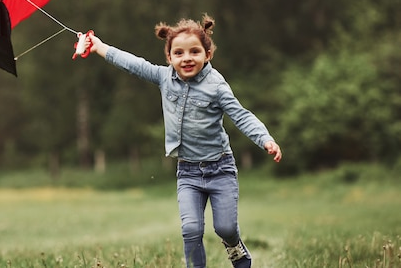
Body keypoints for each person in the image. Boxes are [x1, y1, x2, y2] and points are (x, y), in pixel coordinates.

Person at [84, 14, 282, 268]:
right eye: (178, 53)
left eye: (194, 52)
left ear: (207, 54)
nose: (186, 58)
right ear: (169, 58)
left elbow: (241, 116)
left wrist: (264, 138)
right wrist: (99, 46)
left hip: (220, 170)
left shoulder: (217, 86)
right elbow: (133, 64)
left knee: (225, 228)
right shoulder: (164, 78)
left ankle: (236, 248)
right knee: (190, 230)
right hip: (188, 171)